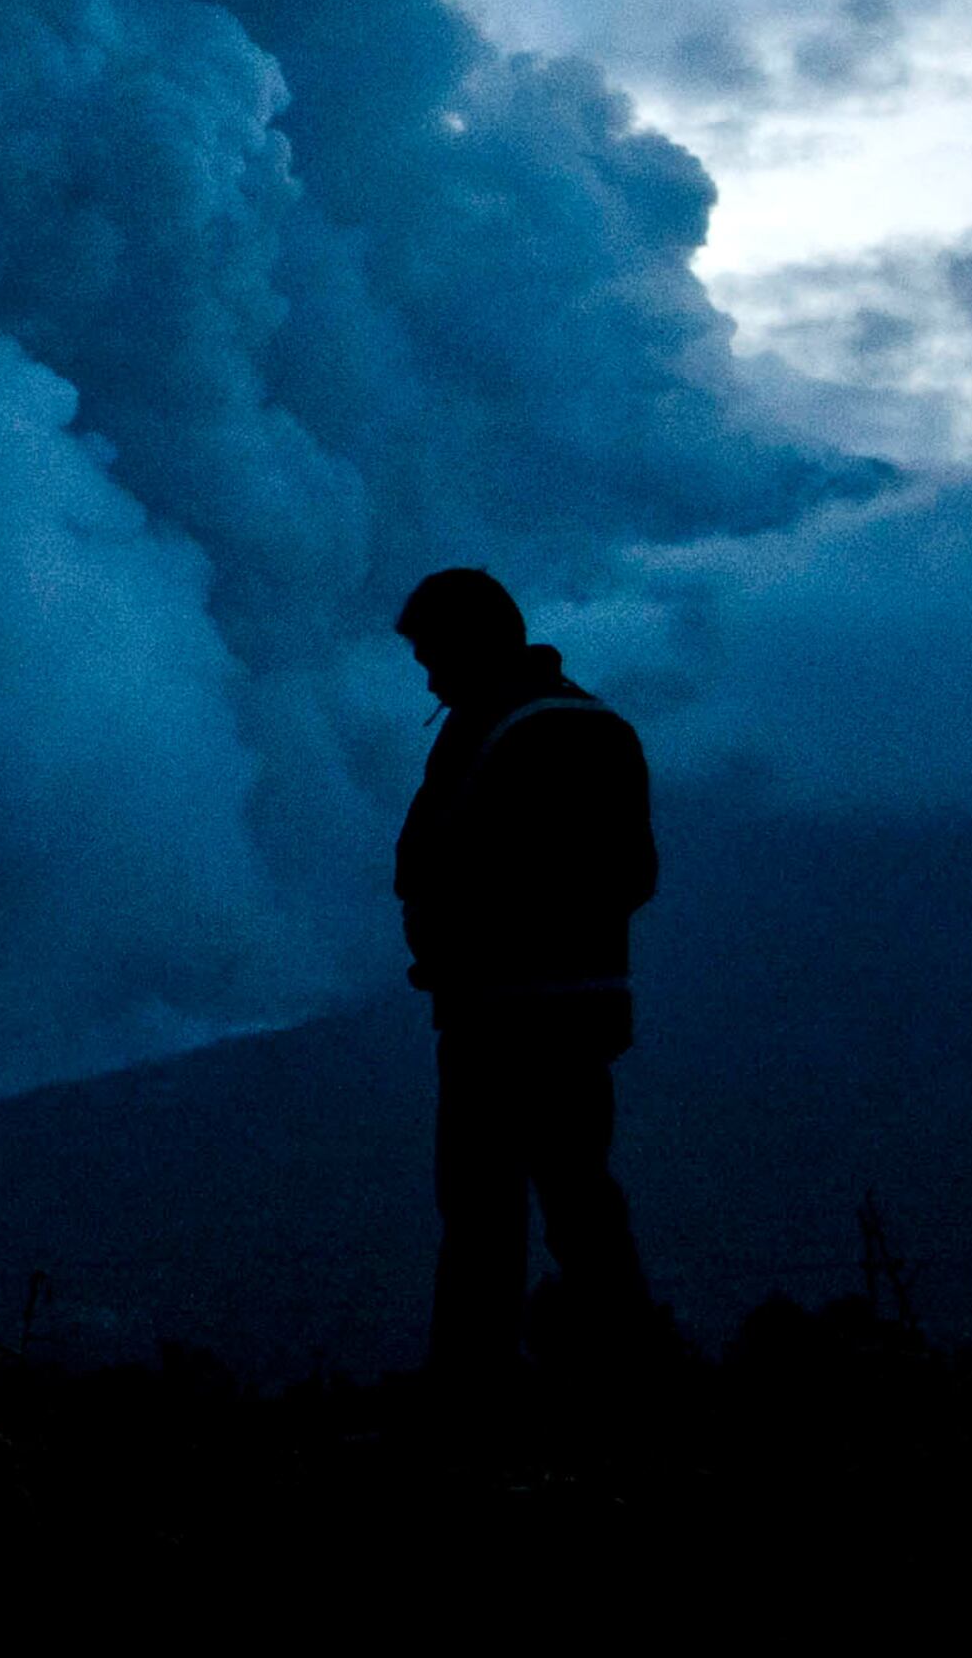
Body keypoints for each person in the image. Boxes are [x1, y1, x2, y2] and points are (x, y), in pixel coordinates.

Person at [391, 567, 658, 1386]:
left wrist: (457, 949)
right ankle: (631, 1377)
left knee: (481, 1210)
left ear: (471, 644)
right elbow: (636, 873)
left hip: (495, 1013)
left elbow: (432, 862)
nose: (429, 677)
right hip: (587, 1010)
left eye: (434, 656)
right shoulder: (602, 725)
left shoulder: (489, 728)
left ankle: (473, 1393)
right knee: (582, 1195)